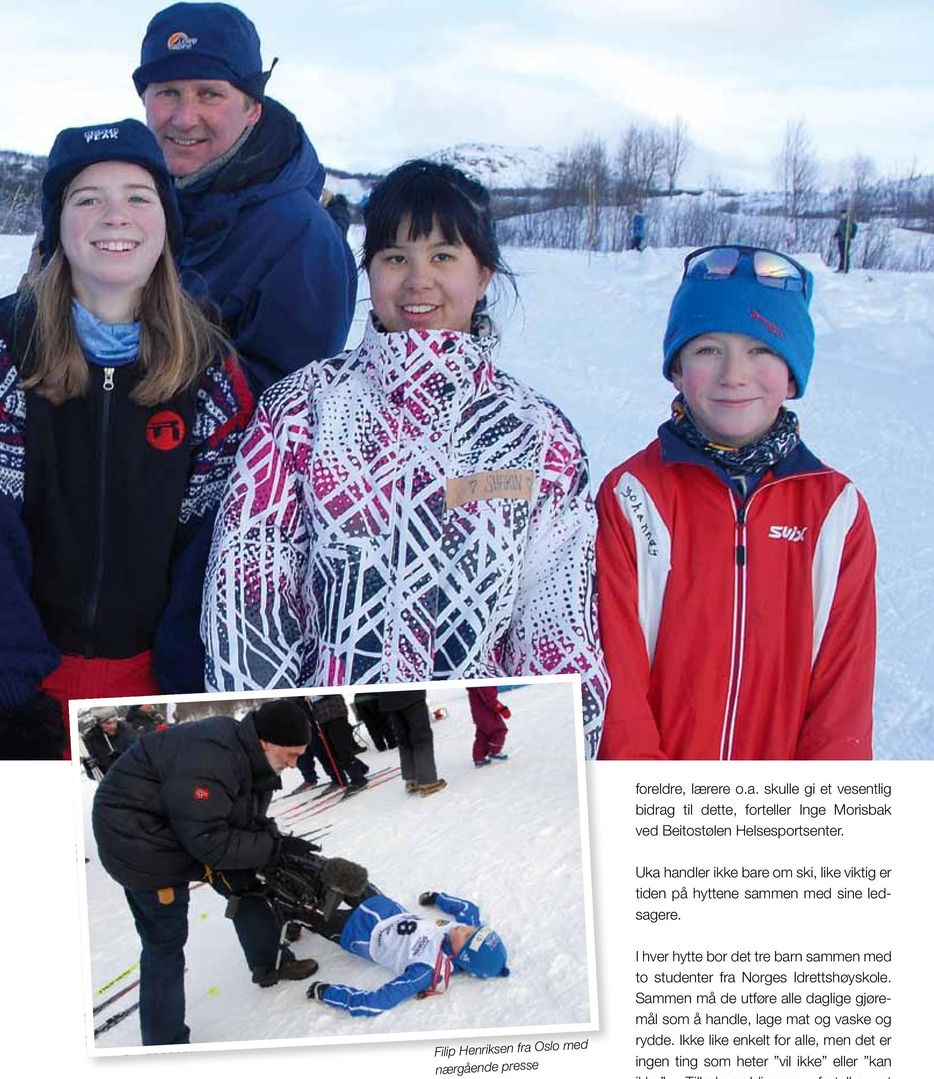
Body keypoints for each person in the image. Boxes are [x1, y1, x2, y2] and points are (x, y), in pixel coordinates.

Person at [203, 159, 609, 756]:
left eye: (443, 256)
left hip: (483, 748)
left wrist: (560, 757)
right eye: (396, 258)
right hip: (349, 733)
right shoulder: (300, 411)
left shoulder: (537, 434)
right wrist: (288, 737)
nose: (418, 281)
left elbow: (557, 618)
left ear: (484, 273)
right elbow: (247, 599)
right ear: (369, 271)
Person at [0, 119, 253, 760]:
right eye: (88, 199)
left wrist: (184, 678)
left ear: (166, 220)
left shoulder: (211, 370)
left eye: (139, 196)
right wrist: (12, 682)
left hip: (151, 681)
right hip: (22, 677)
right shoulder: (7, 352)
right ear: (58, 224)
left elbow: (214, 544)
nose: (117, 216)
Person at [596, 244, 877, 760]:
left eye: (761, 350)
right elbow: (619, 692)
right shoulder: (633, 496)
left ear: (791, 374)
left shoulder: (835, 511)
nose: (733, 374)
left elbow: (844, 704)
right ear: (677, 369)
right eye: (707, 349)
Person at [133, 1, 357, 393]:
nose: (184, 118)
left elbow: (288, 411)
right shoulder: (115, 208)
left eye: (209, 95)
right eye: (168, 92)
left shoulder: (302, 238)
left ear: (252, 107)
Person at [91, 698, 320, 1046]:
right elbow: (210, 842)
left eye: (299, 755)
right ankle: (163, 1044)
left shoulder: (251, 756)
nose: (294, 764)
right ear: (265, 742)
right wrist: (270, 846)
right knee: (164, 943)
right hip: (137, 841)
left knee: (247, 882)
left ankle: (269, 962)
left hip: (180, 825)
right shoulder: (212, 758)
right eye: (291, 755)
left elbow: (239, 817)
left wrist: (273, 840)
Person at [305, 890, 509, 1017]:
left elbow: (378, 1002)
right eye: (474, 931)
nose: (466, 929)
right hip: (385, 907)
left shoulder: (427, 969)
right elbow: (468, 907)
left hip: (358, 932)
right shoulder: (467, 928)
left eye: (467, 937)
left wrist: (328, 992)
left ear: (461, 957)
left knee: (302, 908)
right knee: (335, 875)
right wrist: (436, 898)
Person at [378, 689, 445, 796]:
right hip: (410, 695)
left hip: (388, 699)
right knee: (421, 737)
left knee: (403, 738)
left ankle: (411, 779)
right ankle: (427, 782)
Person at [311, 693, 370, 797]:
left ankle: (358, 779)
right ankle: (360, 767)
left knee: (342, 749)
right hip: (321, 717)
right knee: (332, 751)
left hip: (335, 712)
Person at [82, 708, 138, 778]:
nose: (113, 726)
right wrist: (89, 767)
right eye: (108, 723)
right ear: (99, 723)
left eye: (115, 721)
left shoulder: (127, 730)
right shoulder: (91, 739)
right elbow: (94, 775)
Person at [468, 684, 510, 766]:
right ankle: (494, 751)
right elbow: (489, 699)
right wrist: (502, 709)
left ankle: (479, 757)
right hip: (487, 712)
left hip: (478, 713)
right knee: (499, 730)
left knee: (483, 734)